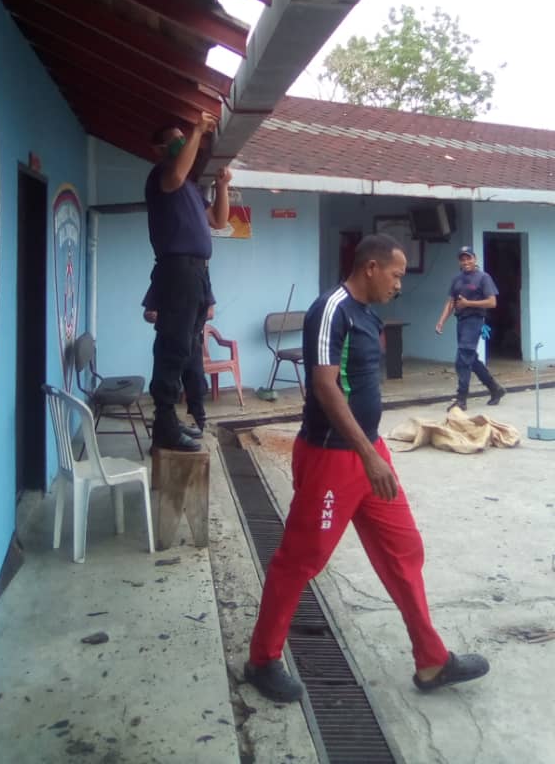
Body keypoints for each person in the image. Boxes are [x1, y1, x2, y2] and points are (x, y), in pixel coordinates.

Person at [244, 233, 489, 703]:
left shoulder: (367, 314)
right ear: (371, 267)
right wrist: (367, 453)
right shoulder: (330, 308)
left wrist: (374, 449)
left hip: (369, 454)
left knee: (404, 550)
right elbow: (323, 385)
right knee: (300, 559)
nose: (399, 283)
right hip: (332, 457)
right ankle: (262, 659)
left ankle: (431, 660)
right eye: (396, 274)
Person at [145, 113, 231, 451]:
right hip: (177, 269)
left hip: (197, 271)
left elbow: (220, 221)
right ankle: (165, 423)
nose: (183, 143)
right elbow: (179, 170)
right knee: (174, 345)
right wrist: (196, 130)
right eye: (175, 139)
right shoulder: (163, 176)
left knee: (188, 346)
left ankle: (173, 420)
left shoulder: (192, 190)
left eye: (185, 138)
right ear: (160, 148)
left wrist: (222, 187)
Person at [435, 245, 505, 411]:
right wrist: (441, 321)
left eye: (469, 257)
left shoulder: (483, 278)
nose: (466, 261)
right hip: (461, 321)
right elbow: (451, 301)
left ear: (475, 259)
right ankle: (495, 389)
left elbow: (492, 302)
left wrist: (468, 303)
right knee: (470, 359)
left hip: (475, 320)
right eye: (462, 258)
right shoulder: (457, 279)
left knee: (462, 360)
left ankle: (461, 399)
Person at [142, 281, 215, 433]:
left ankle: (199, 424)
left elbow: (210, 312)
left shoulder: (200, 281)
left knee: (196, 384)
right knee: (164, 387)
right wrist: (155, 316)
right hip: (166, 342)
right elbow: (148, 314)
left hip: (192, 341)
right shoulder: (162, 279)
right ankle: (166, 429)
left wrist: (185, 317)